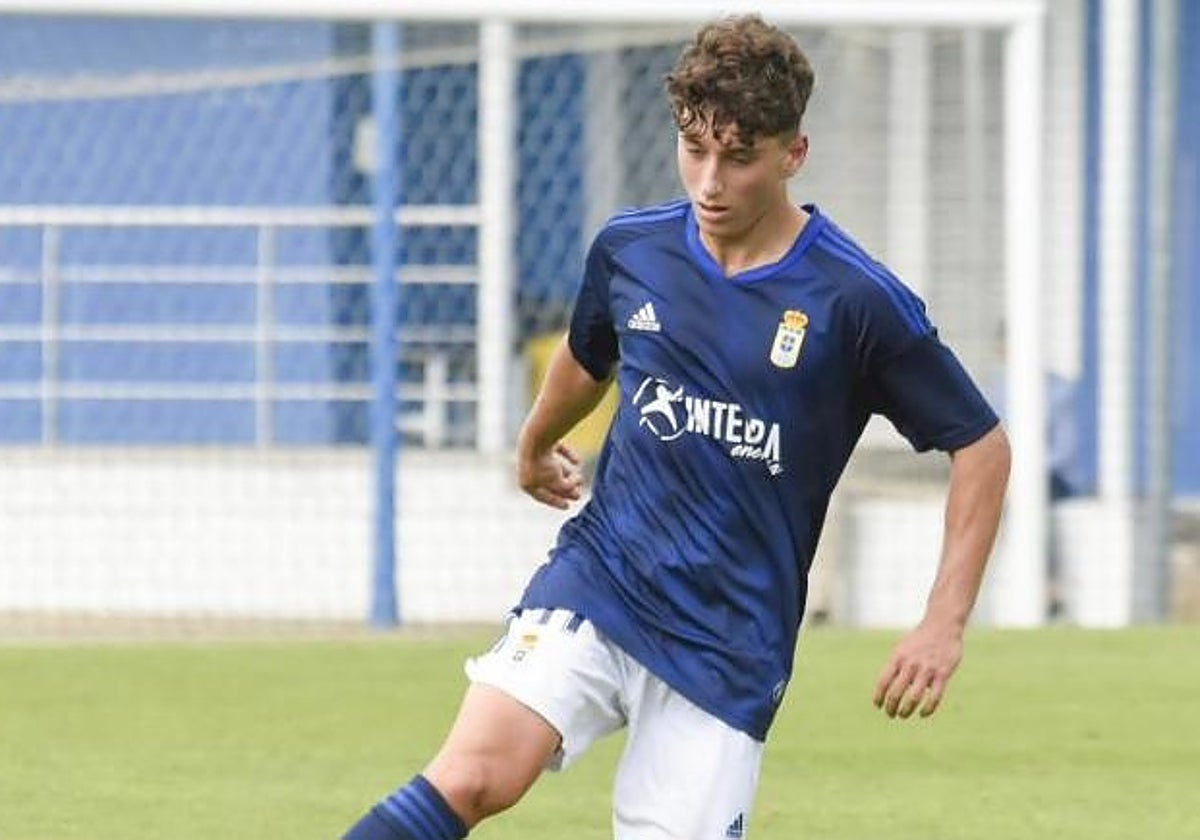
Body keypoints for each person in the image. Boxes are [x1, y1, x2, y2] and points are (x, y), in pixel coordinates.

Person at [341, 15, 1011, 840]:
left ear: (792, 155)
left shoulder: (857, 302)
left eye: (739, 156)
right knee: (474, 774)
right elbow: (589, 360)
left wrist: (942, 624)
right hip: (603, 580)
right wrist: (530, 445)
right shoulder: (632, 251)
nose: (710, 181)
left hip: (729, 646)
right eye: (695, 148)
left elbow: (981, 445)